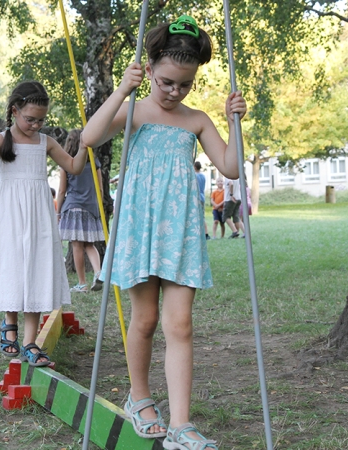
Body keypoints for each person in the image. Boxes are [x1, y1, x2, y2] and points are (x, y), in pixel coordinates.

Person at [81, 15, 246, 449]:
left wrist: (233, 122)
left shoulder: (195, 121)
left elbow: (230, 167)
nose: (175, 92)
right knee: (147, 319)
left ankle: (182, 423)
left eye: (185, 85)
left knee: (181, 325)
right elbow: (90, 137)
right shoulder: (135, 110)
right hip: (140, 227)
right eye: (168, 82)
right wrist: (122, 89)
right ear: (149, 70)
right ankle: (139, 397)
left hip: (181, 233)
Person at [0, 80, 87, 367]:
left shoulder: (46, 142)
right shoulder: (0, 140)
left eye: (41, 120)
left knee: (35, 268)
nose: (36, 125)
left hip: (39, 212)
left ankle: (29, 342)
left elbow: (73, 166)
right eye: (30, 119)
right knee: (13, 265)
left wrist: (86, 143)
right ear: (15, 111)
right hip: (11, 211)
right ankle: (9, 322)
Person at [56, 129, 105, 293]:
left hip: (73, 206)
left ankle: (82, 283)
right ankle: (98, 272)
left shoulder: (66, 162)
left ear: (69, 143)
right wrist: (98, 207)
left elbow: (62, 190)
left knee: (76, 244)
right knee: (89, 244)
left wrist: (58, 212)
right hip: (91, 207)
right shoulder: (93, 161)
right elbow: (100, 188)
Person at [194, 161, 209, 240]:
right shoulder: (203, 176)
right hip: (202, 196)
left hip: (197, 197)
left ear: (195, 167)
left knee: (198, 216)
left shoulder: (194, 176)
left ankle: (205, 233)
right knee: (202, 216)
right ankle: (205, 233)